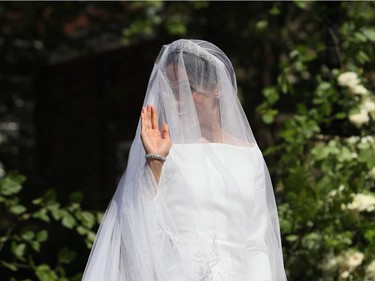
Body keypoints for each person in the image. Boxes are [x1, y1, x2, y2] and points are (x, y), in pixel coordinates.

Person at [82, 39, 288, 281]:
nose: (178, 102)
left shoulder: (249, 154)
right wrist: (155, 160)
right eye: (171, 90)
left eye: (187, 89)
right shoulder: (164, 149)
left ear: (217, 88)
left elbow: (257, 242)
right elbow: (137, 224)